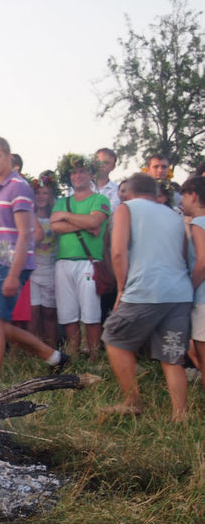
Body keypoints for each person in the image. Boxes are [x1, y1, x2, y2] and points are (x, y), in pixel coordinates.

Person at [102, 173, 192, 422]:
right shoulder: (174, 215)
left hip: (145, 289)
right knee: (171, 354)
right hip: (179, 292)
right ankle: (180, 414)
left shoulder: (125, 209)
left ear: (128, 192)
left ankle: (132, 401)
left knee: (114, 337)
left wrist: (121, 289)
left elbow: (118, 252)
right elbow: (184, 254)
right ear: (155, 194)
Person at [0, 136, 67, 391]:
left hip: (14, 262)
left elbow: (26, 233)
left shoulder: (18, 186)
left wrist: (12, 274)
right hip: (0, 261)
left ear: (9, 157)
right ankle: (54, 357)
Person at [50, 154, 111, 360]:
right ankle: (73, 356)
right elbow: (54, 226)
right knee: (68, 314)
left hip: (88, 260)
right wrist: (85, 223)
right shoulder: (62, 201)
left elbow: (95, 222)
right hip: (63, 261)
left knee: (91, 314)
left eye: (82, 171)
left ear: (91, 174)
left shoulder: (100, 199)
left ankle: (94, 357)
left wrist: (67, 217)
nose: (77, 175)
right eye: (73, 172)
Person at [180, 176, 205, 383]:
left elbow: (202, 262)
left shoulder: (198, 223)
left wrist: (190, 288)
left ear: (194, 195)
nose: (181, 201)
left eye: (184, 196)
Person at [29, 172, 58, 348]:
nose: (41, 197)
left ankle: (52, 349)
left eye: (45, 193)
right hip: (33, 269)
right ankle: (33, 350)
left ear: (51, 195)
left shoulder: (56, 216)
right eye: (38, 193)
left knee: (49, 313)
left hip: (51, 269)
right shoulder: (28, 216)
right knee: (33, 313)